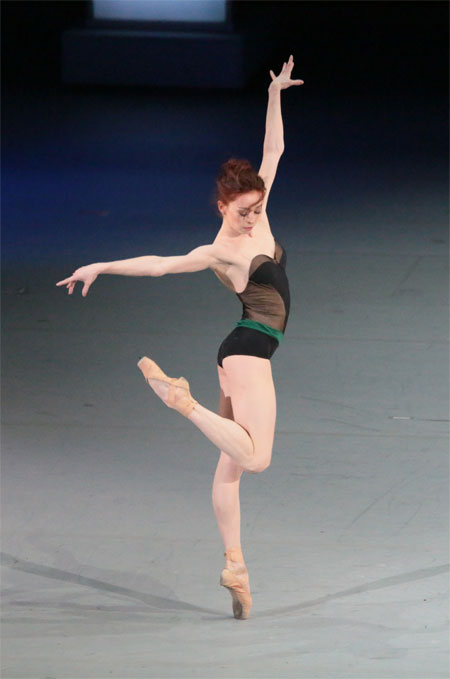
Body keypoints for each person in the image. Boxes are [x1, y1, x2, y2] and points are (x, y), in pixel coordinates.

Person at [57, 55, 303, 620]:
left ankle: (235, 564)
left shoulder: (260, 219)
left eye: (257, 208)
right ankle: (183, 401)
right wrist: (100, 263)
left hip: (239, 352)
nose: (252, 217)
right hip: (247, 350)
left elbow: (274, 153)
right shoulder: (219, 250)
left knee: (231, 467)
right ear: (222, 207)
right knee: (259, 459)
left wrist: (274, 94)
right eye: (243, 211)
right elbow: (158, 265)